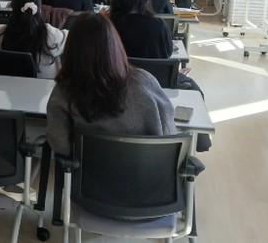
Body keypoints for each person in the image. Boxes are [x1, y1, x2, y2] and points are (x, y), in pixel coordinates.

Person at [46, 12, 176, 157]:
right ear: (115, 44)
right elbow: (168, 130)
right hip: (147, 167)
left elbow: (60, 145)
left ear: (71, 49)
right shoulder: (145, 82)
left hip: (89, 170)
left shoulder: (63, 92)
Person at [109, 0, 210, 151]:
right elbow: (167, 54)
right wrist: (172, 72)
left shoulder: (108, 25)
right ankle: (199, 142)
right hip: (159, 84)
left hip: (115, 84)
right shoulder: (158, 25)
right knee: (194, 88)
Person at [0, 0, 68, 79]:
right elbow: (71, 38)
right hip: (45, 86)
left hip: (11, 84)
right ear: (40, 10)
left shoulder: (0, 33)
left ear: (12, 9)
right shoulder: (49, 34)